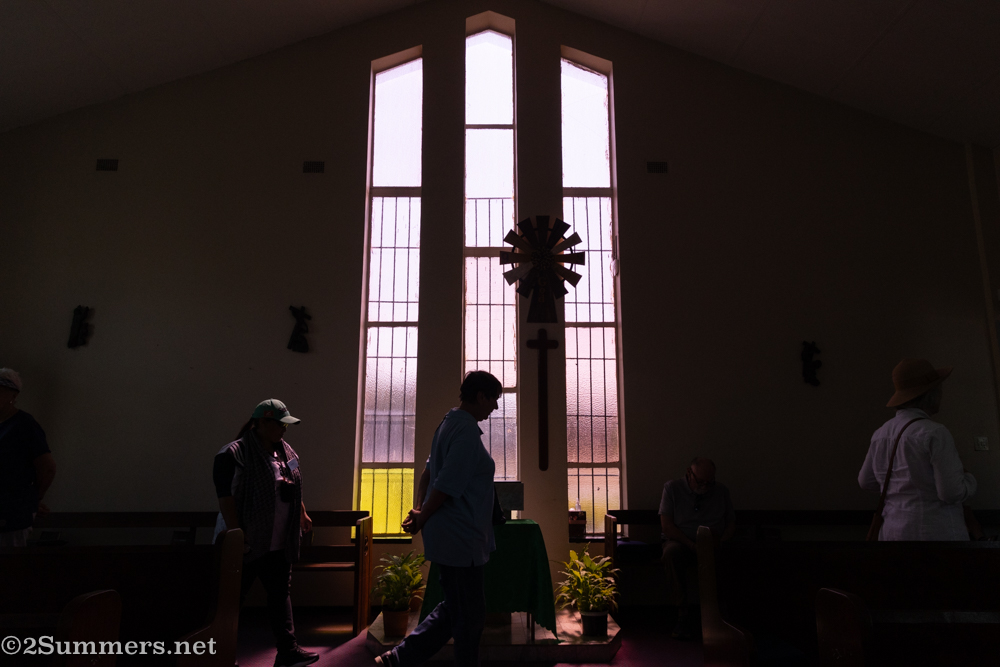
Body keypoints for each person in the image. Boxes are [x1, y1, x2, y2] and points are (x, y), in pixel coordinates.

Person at [375, 371, 501, 667]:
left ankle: (398, 659)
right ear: (480, 396)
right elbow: (445, 484)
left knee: (457, 608)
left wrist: (420, 509)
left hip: (451, 535)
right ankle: (400, 659)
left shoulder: (448, 422)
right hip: (461, 536)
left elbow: (428, 472)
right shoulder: (466, 431)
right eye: (494, 399)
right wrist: (422, 516)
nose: (495, 407)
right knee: (469, 618)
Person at [213, 399, 318, 667]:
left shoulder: (285, 452)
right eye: (280, 424)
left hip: (278, 540)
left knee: (280, 594)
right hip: (246, 540)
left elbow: (291, 485)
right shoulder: (234, 453)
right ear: (261, 423)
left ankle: (288, 652)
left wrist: (302, 512)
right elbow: (225, 497)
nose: (284, 430)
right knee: (231, 599)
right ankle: (218, 654)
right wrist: (237, 532)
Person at [859, 359, 977, 541]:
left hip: (892, 534)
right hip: (936, 534)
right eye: (939, 389)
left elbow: (865, 481)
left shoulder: (880, 434)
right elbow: (951, 493)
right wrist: (969, 480)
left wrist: (898, 490)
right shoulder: (935, 432)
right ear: (930, 394)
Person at [659, 457, 735, 639]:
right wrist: (691, 545)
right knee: (671, 553)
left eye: (710, 482)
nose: (705, 486)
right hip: (682, 541)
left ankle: (721, 614)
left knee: (731, 556)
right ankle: (682, 613)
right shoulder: (672, 488)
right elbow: (667, 526)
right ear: (689, 473)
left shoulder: (721, 491)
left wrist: (721, 541)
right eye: (701, 482)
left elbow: (731, 523)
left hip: (712, 542)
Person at [0, 368, 56, 548]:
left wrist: (33, 500)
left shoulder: (24, 425)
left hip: (10, 516)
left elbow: (47, 468)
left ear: (13, 395)